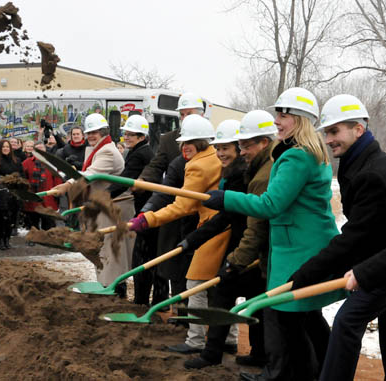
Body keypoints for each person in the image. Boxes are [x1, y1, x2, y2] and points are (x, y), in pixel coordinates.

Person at [203, 88, 346, 381]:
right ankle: (326, 372)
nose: (277, 120)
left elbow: (271, 204)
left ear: (300, 119)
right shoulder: (308, 154)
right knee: (306, 317)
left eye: (283, 115)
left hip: (299, 249)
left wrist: (226, 198)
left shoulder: (297, 157)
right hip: (302, 246)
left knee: (288, 318)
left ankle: (307, 374)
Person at [288, 94, 386, 381]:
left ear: (358, 129)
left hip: (382, 267)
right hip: (379, 261)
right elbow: (369, 234)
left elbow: (355, 236)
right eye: (327, 132)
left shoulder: (373, 174)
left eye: (335, 131)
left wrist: (308, 273)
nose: (329, 139)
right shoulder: (359, 165)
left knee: (347, 320)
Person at [129, 114, 230, 354]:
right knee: (219, 287)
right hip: (223, 225)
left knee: (195, 282)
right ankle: (229, 337)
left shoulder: (197, 165)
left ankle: (195, 340)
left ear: (202, 143)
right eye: (183, 144)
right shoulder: (215, 159)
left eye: (189, 143)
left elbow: (183, 205)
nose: (184, 148)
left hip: (211, 228)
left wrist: (148, 219)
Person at [183, 113, 275, 370]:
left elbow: (243, 218)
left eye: (229, 148)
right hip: (247, 245)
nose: (222, 153)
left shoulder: (249, 175)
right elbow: (227, 217)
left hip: (252, 248)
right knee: (253, 300)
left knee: (230, 292)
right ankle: (256, 354)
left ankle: (214, 353)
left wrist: (236, 259)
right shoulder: (239, 172)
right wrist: (192, 240)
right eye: (219, 148)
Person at [53, 113, 133, 298]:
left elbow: (91, 175)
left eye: (94, 132)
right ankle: (106, 286)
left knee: (111, 251)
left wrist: (66, 185)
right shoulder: (98, 149)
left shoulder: (107, 151)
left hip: (111, 206)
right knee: (102, 248)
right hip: (100, 205)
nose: (90, 136)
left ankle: (113, 290)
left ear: (103, 132)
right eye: (88, 133)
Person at [106, 115, 159, 304]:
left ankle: (141, 301)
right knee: (151, 256)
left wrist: (102, 198)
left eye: (131, 135)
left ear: (141, 137)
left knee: (142, 257)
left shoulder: (139, 154)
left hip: (149, 210)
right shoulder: (143, 151)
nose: (126, 138)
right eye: (125, 134)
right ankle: (154, 300)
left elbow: (125, 180)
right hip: (150, 207)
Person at [22, 141, 62, 231]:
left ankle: (48, 239)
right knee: (33, 221)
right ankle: (34, 238)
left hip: (49, 197)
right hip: (33, 197)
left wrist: (57, 191)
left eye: (42, 148)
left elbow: (57, 178)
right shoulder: (26, 163)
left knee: (49, 223)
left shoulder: (53, 163)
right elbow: (23, 179)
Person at [0, 139, 23, 250]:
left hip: (15, 193)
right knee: (2, 218)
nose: (5, 148)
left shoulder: (17, 160)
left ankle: (7, 239)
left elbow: (22, 174)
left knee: (12, 218)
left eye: (7, 146)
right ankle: (1, 240)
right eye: (3, 147)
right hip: (2, 193)